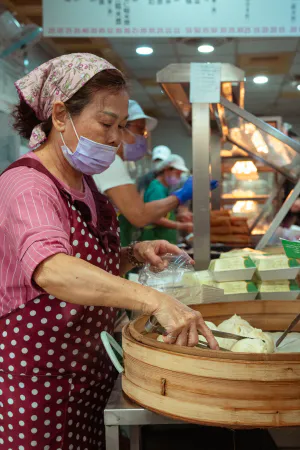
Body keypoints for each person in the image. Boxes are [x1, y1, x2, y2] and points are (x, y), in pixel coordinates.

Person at [0, 53, 218, 450]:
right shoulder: (27, 186)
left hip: (86, 376)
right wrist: (154, 300)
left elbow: (86, 265)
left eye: (120, 126)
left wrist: (134, 253)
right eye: (106, 124)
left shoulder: (83, 185)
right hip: (37, 387)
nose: (117, 139)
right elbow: (53, 270)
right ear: (61, 114)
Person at [93, 101, 194, 246]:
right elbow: (140, 215)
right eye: (140, 130)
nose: (143, 137)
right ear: (119, 127)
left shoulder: (116, 163)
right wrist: (181, 195)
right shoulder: (109, 162)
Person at [141, 154, 193, 244]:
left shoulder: (164, 188)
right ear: (167, 170)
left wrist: (178, 217)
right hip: (155, 239)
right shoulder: (156, 189)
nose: (179, 177)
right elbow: (154, 218)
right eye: (177, 173)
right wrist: (181, 226)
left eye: (180, 174)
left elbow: (163, 214)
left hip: (163, 240)